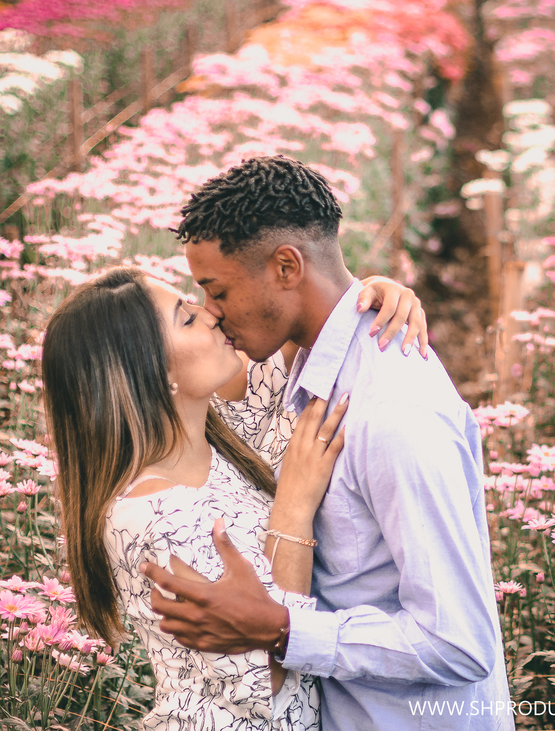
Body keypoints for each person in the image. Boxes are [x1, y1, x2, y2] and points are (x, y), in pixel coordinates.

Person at [141, 155, 512, 731]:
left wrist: (281, 628)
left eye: (217, 291)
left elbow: (458, 643)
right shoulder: (305, 357)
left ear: (287, 266)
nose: (211, 314)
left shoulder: (392, 414)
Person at [42, 266, 429, 730]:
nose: (209, 315)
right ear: (152, 370)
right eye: (186, 318)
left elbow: (306, 319)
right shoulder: (158, 520)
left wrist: (372, 293)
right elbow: (267, 677)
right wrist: (294, 508)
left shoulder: (219, 430)